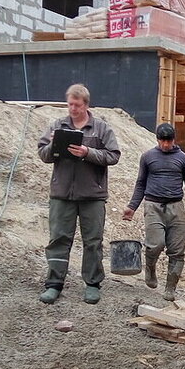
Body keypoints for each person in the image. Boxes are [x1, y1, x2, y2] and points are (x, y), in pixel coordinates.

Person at [37, 83, 121, 305]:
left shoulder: (101, 128)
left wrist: (87, 152)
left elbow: (113, 156)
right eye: (70, 104)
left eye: (77, 105)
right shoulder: (58, 125)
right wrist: (55, 144)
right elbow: (43, 154)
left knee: (93, 241)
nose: (72, 109)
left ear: (86, 105)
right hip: (62, 194)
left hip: (92, 196)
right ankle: (54, 284)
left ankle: (92, 284)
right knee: (58, 239)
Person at [122, 122, 185, 302]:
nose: (165, 144)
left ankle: (170, 287)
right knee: (155, 244)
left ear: (173, 140)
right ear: (157, 140)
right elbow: (141, 183)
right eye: (162, 141)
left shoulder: (183, 158)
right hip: (153, 205)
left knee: (177, 251)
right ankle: (150, 267)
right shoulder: (148, 157)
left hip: (176, 207)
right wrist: (132, 207)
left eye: (168, 141)